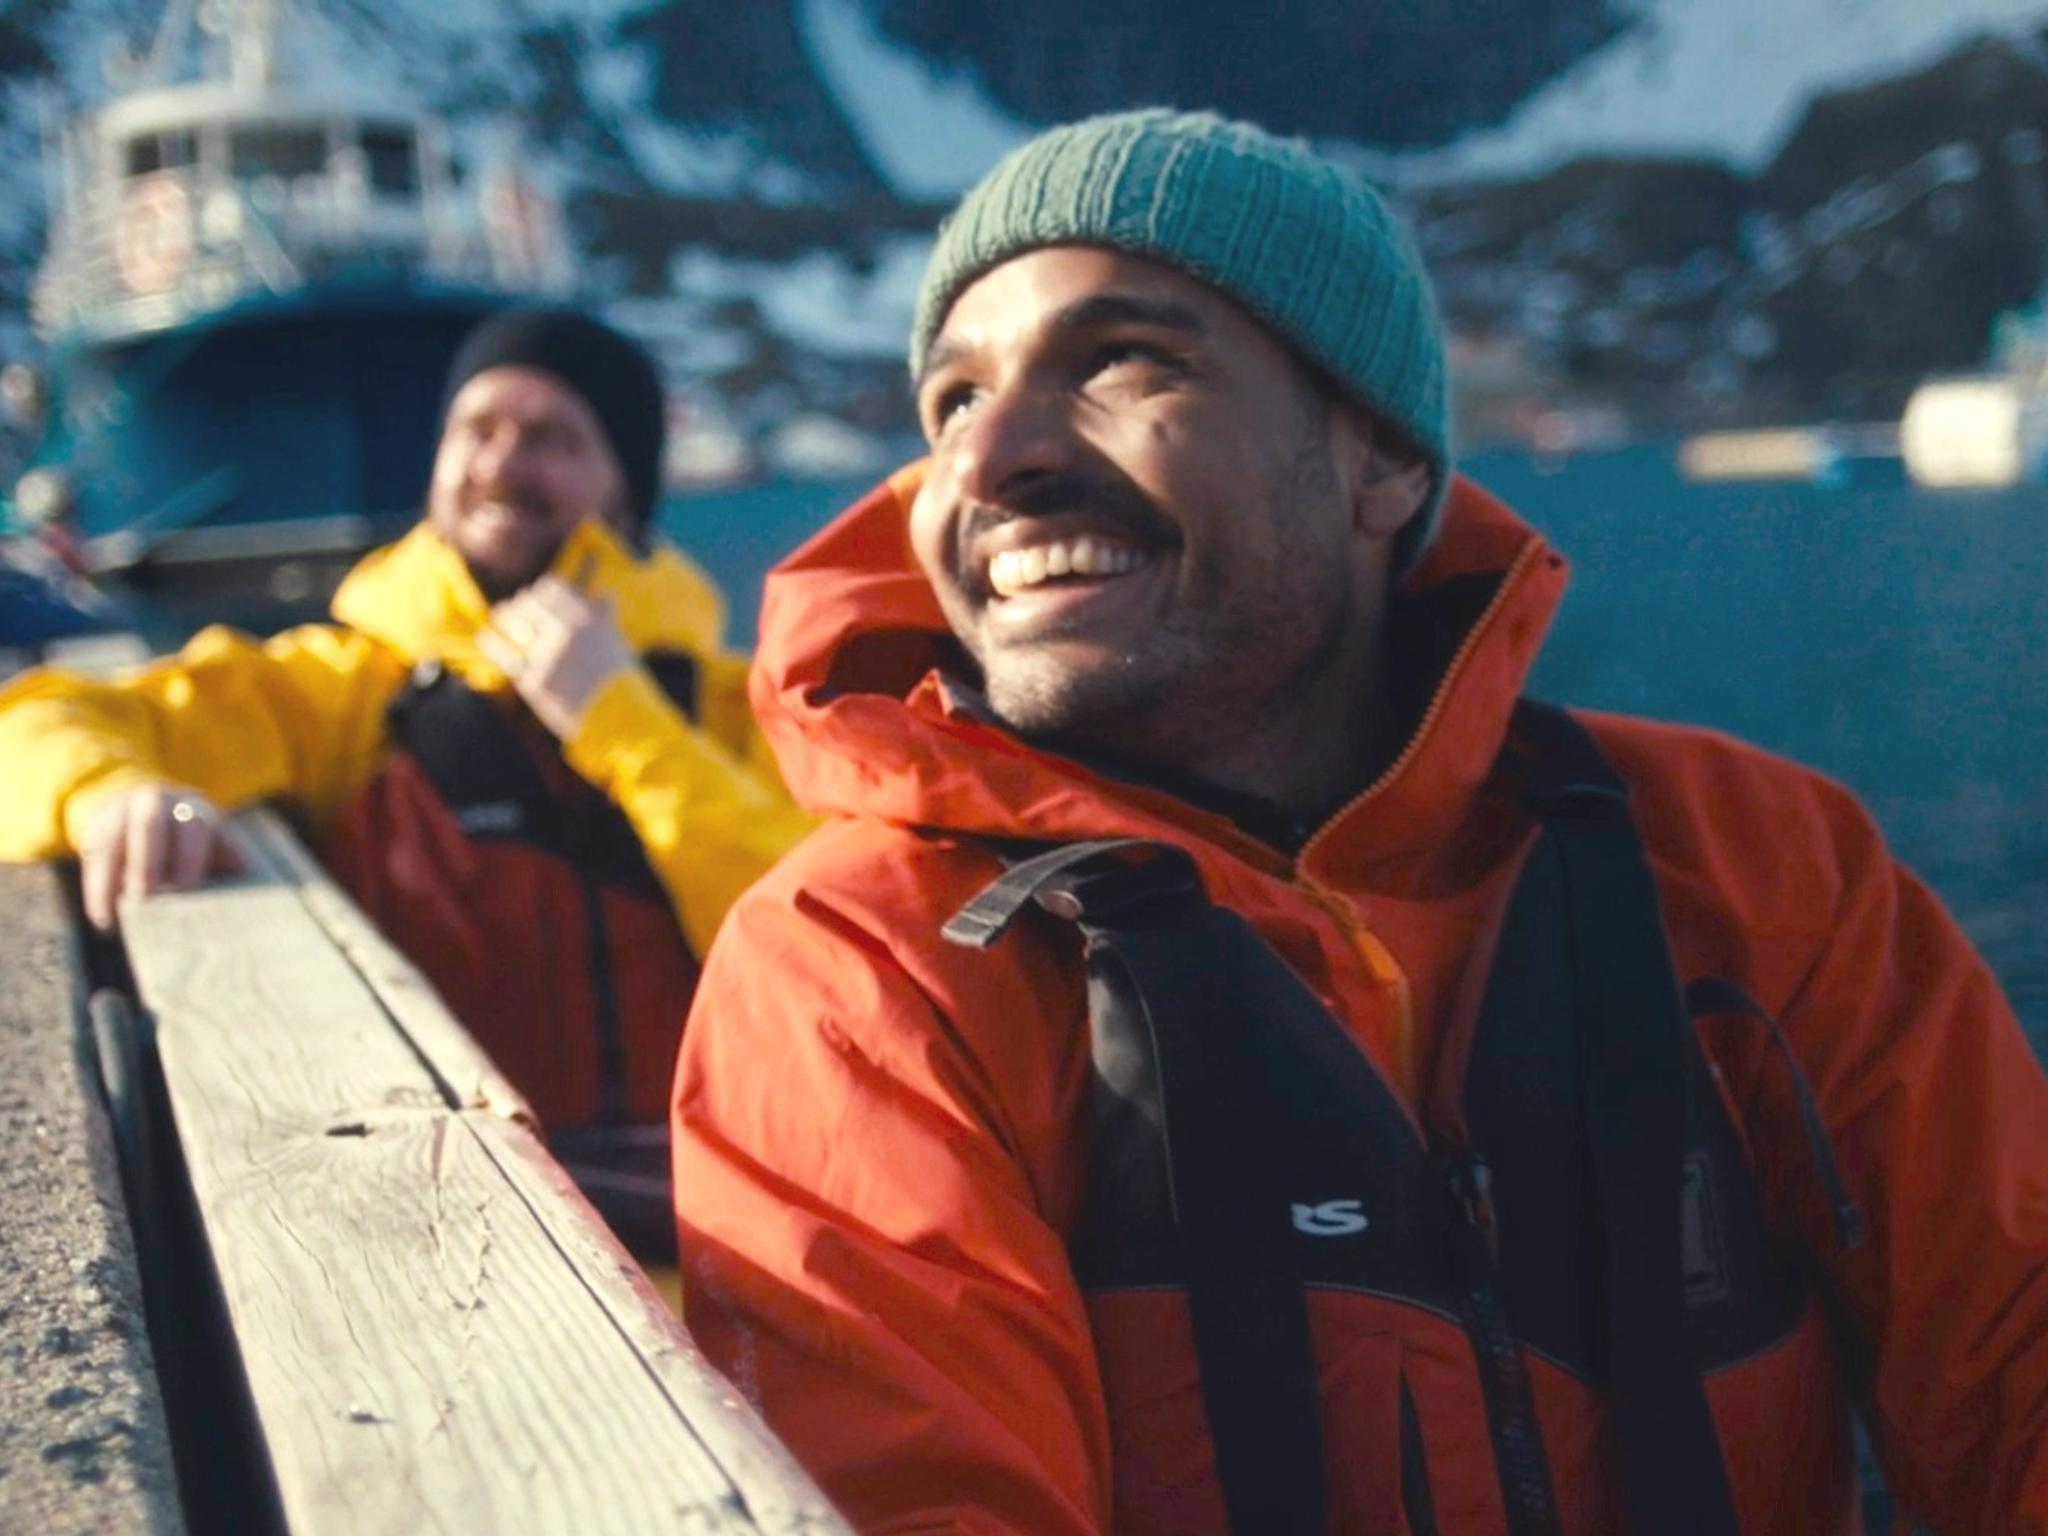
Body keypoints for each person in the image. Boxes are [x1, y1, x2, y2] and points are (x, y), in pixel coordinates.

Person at [667, 109, 2048, 1534]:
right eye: (952, 401)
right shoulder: (868, 967)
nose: (987, 459)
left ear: (1382, 461)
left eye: (1124, 361)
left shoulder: (1757, 865)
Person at [0, 304, 812, 1257]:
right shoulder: (353, 686)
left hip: (730, 1245)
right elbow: (39, 721)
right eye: (476, 430)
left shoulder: (732, 705)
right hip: (456, 1246)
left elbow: (808, 945)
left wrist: (620, 719)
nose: (501, 463)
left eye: (553, 439)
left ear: (625, 490)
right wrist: (108, 793)